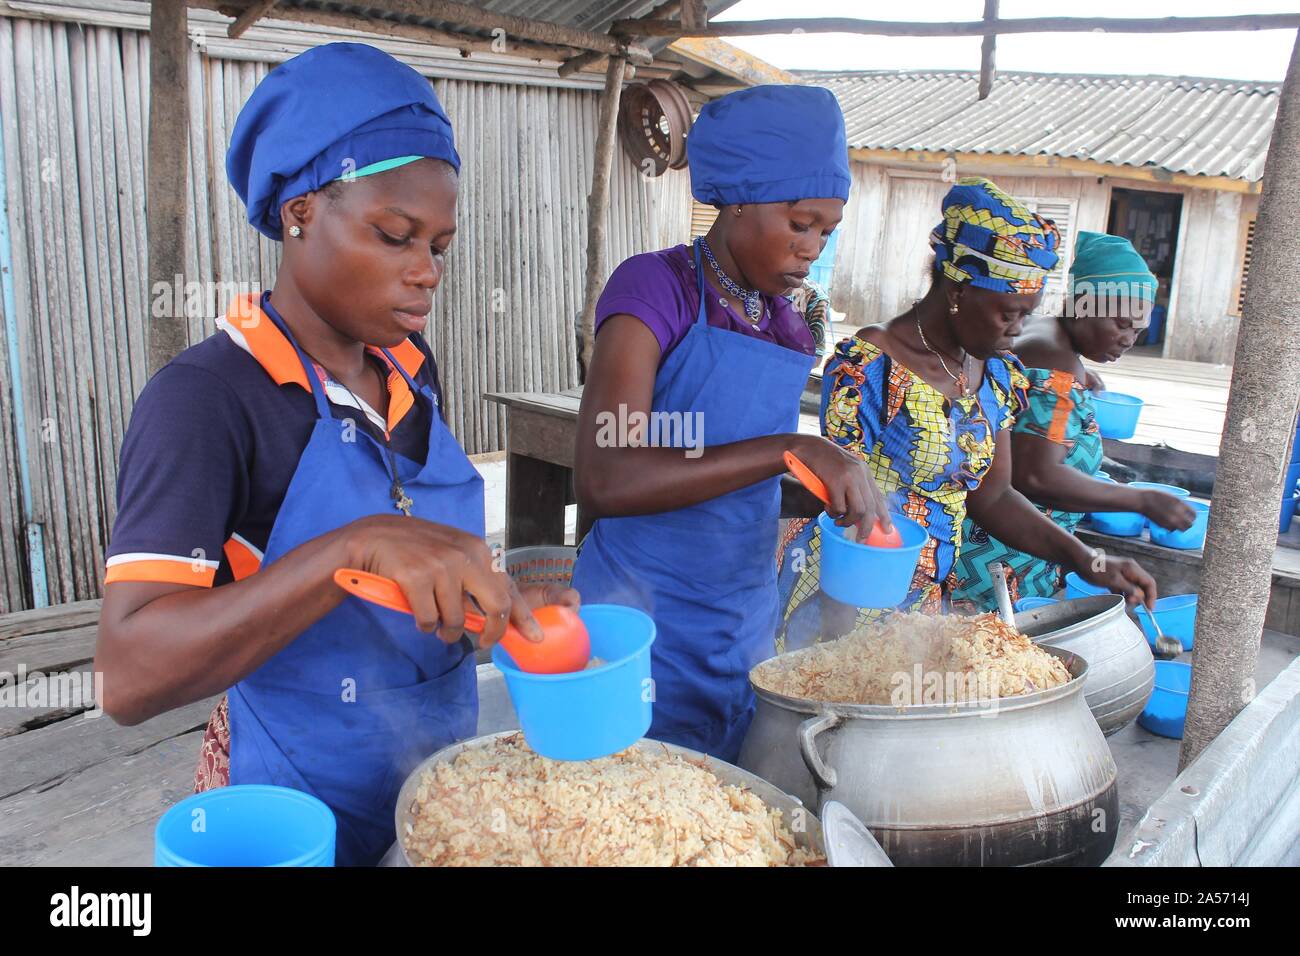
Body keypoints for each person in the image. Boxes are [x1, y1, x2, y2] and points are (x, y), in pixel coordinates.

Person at [93, 43, 574, 866]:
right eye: (395, 235)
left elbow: (410, 569)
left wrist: (489, 598)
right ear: (300, 211)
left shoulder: (409, 372)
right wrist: (348, 549)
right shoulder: (209, 399)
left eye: (440, 246)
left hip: (429, 802)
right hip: (291, 813)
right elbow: (127, 676)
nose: (426, 273)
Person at [570, 85, 885, 762]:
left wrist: (835, 489)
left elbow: (742, 470)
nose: (811, 249)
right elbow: (605, 474)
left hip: (739, 621)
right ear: (738, 196)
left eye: (826, 232)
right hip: (641, 621)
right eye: (799, 223)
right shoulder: (656, 288)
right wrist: (790, 449)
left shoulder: (786, 320)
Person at [776, 179, 1158, 651]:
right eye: (1008, 313)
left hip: (928, 601)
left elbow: (993, 497)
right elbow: (841, 503)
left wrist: (1088, 560)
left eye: (1027, 315)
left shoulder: (993, 374)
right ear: (959, 289)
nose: (1018, 331)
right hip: (846, 591)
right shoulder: (873, 365)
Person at [951, 232, 1195, 610]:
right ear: (1082, 304)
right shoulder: (1060, 366)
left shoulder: (1043, 336)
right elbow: (1035, 475)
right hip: (997, 561)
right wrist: (1141, 499)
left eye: (1138, 330)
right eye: (1121, 323)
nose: (1129, 339)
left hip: (990, 546)